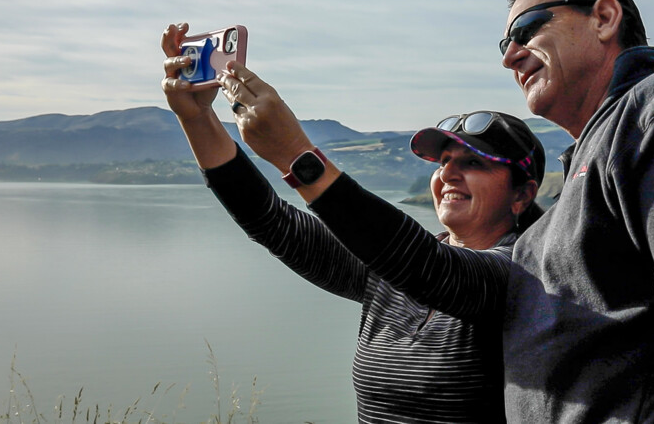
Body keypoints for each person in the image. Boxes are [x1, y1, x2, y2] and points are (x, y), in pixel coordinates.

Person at [219, 0, 654, 423]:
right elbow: (298, 230)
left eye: (527, 29)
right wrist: (201, 119)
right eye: (503, 42)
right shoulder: (582, 178)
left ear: (605, 18)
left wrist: (300, 158)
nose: (509, 55)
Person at [160, 23, 546, 424]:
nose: (448, 174)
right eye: (445, 162)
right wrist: (197, 117)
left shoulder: (524, 279)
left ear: (522, 194)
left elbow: (429, 268)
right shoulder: (389, 274)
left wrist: (297, 154)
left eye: (474, 164)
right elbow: (270, 220)